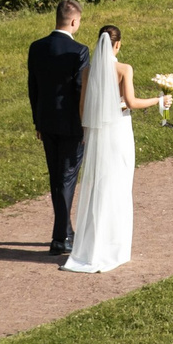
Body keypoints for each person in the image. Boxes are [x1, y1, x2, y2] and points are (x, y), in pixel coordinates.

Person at [62, 24, 145, 274]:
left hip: (97, 134)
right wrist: (160, 100)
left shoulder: (88, 70)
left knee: (98, 185)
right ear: (117, 44)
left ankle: (93, 245)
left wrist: (88, 133)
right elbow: (130, 102)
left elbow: (82, 107)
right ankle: (114, 246)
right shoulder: (123, 68)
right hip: (119, 132)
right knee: (118, 184)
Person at [26, 0, 89, 256]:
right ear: (74, 21)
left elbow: (34, 87)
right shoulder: (79, 51)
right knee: (67, 178)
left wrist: (37, 121)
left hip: (47, 122)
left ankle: (65, 230)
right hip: (72, 124)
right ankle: (60, 236)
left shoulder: (37, 47)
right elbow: (80, 91)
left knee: (57, 178)